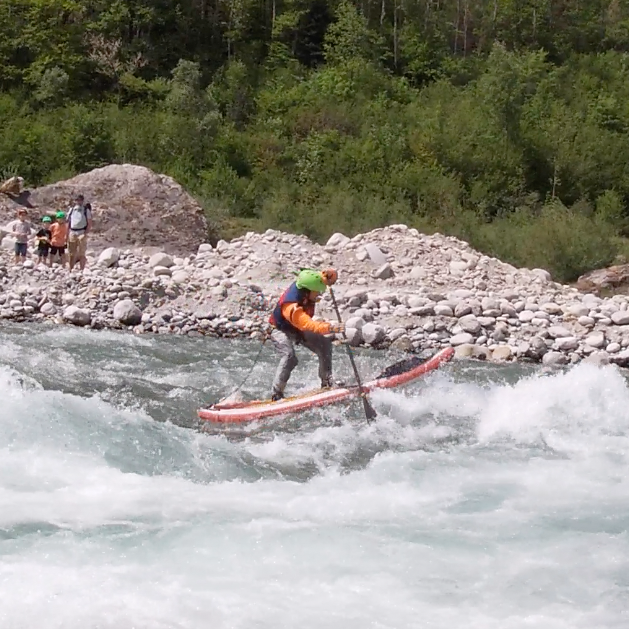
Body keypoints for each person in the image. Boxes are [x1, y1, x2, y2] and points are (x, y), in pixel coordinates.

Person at [268, 268, 345, 401]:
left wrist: (330, 276)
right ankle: (277, 394)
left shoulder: (307, 283)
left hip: (297, 329)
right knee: (289, 357)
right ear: (307, 291)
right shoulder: (291, 306)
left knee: (324, 344)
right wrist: (331, 328)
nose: (318, 296)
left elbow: (322, 276)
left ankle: (327, 382)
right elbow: (307, 324)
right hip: (280, 330)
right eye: (317, 293)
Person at [66, 194, 92, 271]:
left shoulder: (85, 210)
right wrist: (66, 233)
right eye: (77, 200)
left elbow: (89, 222)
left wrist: (86, 232)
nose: (78, 201)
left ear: (82, 201)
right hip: (73, 231)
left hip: (81, 231)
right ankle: (71, 269)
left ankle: (82, 269)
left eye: (80, 200)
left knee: (82, 252)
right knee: (71, 252)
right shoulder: (71, 210)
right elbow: (68, 222)